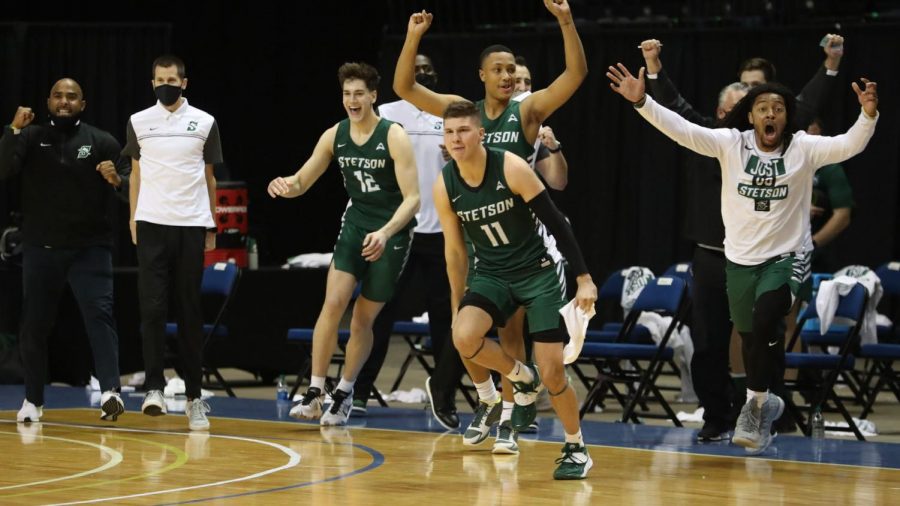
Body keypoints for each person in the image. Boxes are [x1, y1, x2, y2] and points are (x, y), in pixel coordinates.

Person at [607, 62, 878, 454]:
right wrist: (642, 102)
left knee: (770, 315)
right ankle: (769, 400)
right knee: (752, 339)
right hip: (739, 261)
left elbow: (850, 143)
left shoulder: (804, 148)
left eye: (779, 108)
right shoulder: (730, 143)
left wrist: (867, 115)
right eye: (763, 107)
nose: (771, 113)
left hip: (787, 257)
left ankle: (754, 405)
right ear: (750, 116)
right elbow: (682, 130)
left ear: (788, 117)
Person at [394, 0, 586, 452]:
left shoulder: (527, 111)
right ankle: (497, 402)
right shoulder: (465, 114)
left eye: (510, 70)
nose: (505, 76)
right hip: (481, 242)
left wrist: (565, 21)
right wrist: (413, 36)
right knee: (472, 332)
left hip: (524, 242)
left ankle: (508, 421)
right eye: (496, 70)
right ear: (482, 76)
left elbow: (575, 74)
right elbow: (404, 86)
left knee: (513, 336)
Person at [638, 34, 845, 440]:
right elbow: (675, 110)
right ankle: (716, 416)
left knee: (766, 331)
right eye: (743, 104)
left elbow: (803, 106)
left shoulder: (775, 144)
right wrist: (653, 71)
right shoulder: (710, 138)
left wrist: (831, 66)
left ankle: (767, 408)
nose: (756, 111)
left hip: (767, 258)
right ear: (722, 112)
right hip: (713, 258)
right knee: (710, 340)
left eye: (760, 104)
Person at [434, 100, 596, 479]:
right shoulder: (445, 184)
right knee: (464, 335)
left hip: (538, 272)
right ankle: (522, 376)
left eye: (463, 130)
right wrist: (458, 301)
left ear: (480, 134)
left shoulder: (510, 166)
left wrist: (584, 277)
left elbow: (558, 223)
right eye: (449, 132)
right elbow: (455, 252)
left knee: (555, 371)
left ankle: (576, 446)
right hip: (491, 274)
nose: (456, 138)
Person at [268, 62, 419, 427]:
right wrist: (285, 185)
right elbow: (303, 180)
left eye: (358, 94)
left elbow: (413, 199)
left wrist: (385, 233)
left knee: (363, 320)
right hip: (355, 226)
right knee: (333, 303)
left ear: (373, 96)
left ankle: (345, 391)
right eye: (346, 94)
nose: (352, 100)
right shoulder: (334, 135)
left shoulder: (393, 135)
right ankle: (316, 391)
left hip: (391, 232)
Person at [0, 78, 129, 423]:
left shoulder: (101, 141)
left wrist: (118, 179)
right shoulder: (29, 137)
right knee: (34, 325)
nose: (64, 101)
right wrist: (12, 129)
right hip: (41, 247)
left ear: (83, 104)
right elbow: (4, 169)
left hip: (90, 248)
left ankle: (111, 393)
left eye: (72, 97)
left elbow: (132, 187)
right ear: (48, 102)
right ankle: (33, 401)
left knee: (99, 318)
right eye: (58, 96)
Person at [351, 54, 466, 430]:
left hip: (442, 233)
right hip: (397, 229)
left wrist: (460, 157)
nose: (421, 73)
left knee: (448, 321)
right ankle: (358, 392)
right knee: (378, 315)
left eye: (427, 68)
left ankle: (444, 394)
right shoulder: (384, 112)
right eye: (414, 69)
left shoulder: (451, 112)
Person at [123, 55, 223, 431]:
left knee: (189, 312)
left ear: (184, 82)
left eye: (172, 79)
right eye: (159, 79)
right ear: (152, 83)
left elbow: (210, 178)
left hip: (191, 224)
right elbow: (135, 174)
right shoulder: (138, 121)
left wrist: (212, 225)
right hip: (151, 223)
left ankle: (195, 397)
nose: (166, 84)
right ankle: (154, 388)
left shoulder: (205, 122)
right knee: (151, 310)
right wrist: (133, 218)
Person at [512, 56, 569, 191]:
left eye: (527, 82)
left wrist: (554, 148)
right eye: (517, 81)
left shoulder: (535, 127)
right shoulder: (480, 117)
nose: (523, 87)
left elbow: (559, 183)